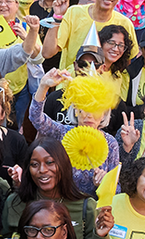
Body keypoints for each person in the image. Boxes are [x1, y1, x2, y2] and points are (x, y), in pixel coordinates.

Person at [29, 65, 120, 195]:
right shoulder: (63, 133)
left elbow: (116, 190)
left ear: (104, 114)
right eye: (84, 107)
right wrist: (44, 86)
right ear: (76, 110)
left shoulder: (110, 143)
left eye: (95, 109)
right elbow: (36, 118)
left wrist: (104, 183)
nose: (89, 115)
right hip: (60, 202)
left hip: (90, 208)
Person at [3, 137, 97, 239]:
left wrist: (102, 237)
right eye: (34, 164)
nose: (42, 170)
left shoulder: (86, 207)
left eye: (49, 162)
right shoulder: (15, 203)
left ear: (63, 164)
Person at [44, 0, 138, 71]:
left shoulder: (125, 24)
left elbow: (127, 62)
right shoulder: (74, 12)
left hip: (104, 84)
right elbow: (47, 53)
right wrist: (57, 17)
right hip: (71, 81)